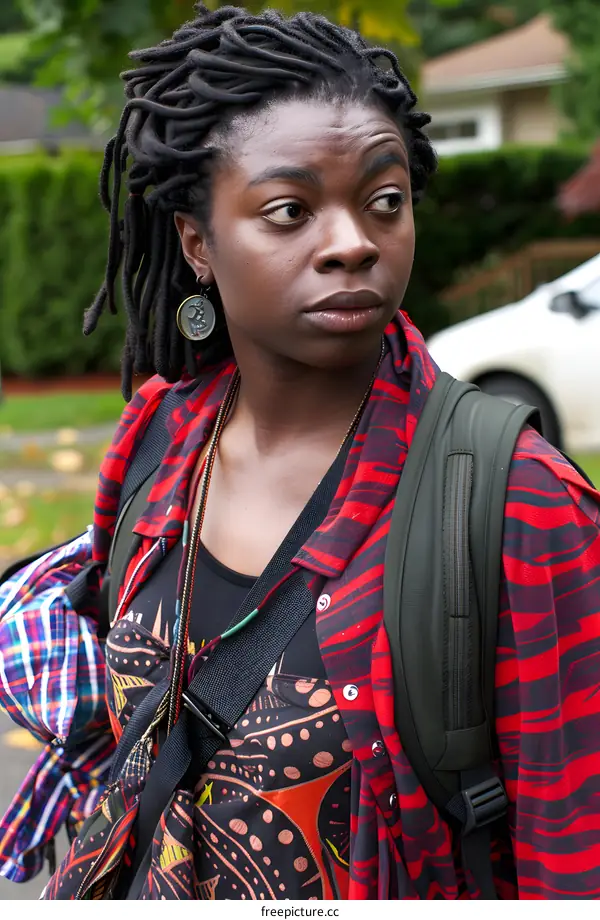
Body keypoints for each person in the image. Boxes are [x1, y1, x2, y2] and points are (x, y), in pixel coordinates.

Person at [0, 2, 599, 901]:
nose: (353, 243)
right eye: (289, 210)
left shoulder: (515, 504)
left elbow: (575, 862)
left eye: (383, 202)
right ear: (198, 242)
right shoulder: (160, 438)